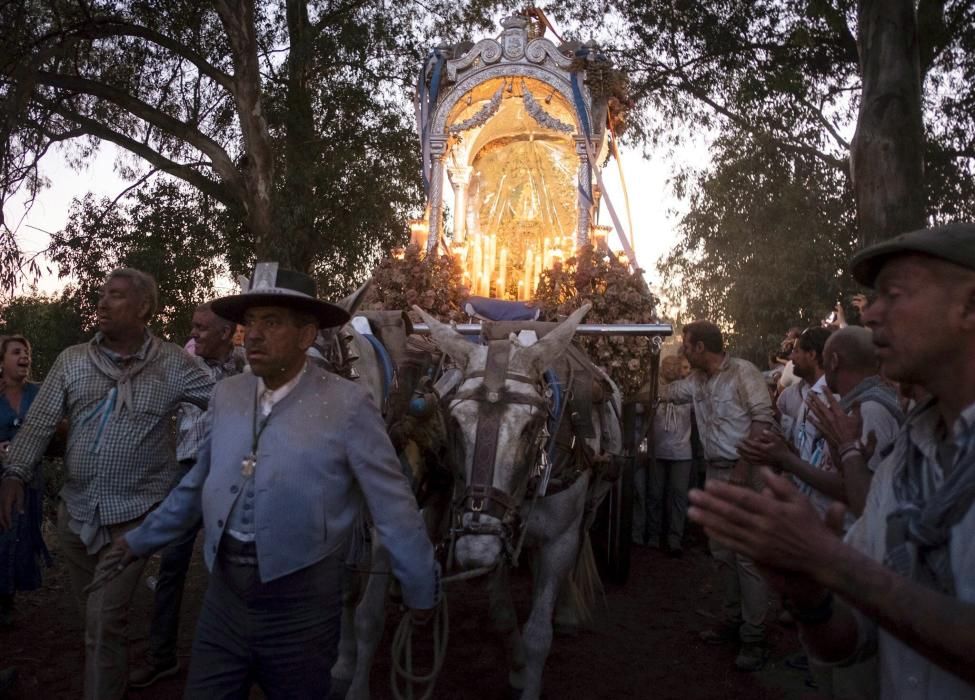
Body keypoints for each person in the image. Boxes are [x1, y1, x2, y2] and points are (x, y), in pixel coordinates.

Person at [98, 263, 439, 699]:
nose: (253, 335)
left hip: (302, 606)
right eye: (250, 322)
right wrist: (138, 541)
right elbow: (195, 486)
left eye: (271, 323)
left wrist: (419, 586)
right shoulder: (227, 395)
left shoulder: (348, 406)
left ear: (306, 335)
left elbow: (393, 507)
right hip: (223, 600)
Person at [688, 222, 975, 698]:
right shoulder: (910, 453)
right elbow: (852, 641)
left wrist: (832, 563)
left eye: (894, 294)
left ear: (969, 306)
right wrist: (810, 593)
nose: (873, 315)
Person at [0, 269, 215, 700]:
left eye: (115, 296)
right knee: (96, 624)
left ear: (143, 309)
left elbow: (227, 401)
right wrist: (14, 473)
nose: (101, 303)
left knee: (101, 622)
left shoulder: (174, 363)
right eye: (101, 295)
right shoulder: (73, 359)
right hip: (75, 515)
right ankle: (114, 673)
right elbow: (41, 422)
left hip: (135, 517)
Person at [129, 303, 246, 689]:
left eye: (202, 327)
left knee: (227, 565)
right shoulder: (181, 364)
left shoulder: (249, 367)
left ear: (228, 333)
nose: (193, 333)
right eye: (193, 326)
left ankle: (232, 658)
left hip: (233, 474)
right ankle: (161, 655)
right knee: (172, 564)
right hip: (187, 472)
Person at [656, 320, 775, 671]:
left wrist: (742, 469)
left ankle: (754, 637)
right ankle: (733, 620)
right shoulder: (696, 382)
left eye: (686, 346)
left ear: (701, 348)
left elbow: (763, 419)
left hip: (746, 472)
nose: (683, 352)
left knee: (747, 556)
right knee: (722, 551)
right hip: (717, 472)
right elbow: (664, 392)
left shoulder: (743, 373)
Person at [0, 336, 51, 626]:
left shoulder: (40, 393)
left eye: (27, 352)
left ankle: (8, 598)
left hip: (30, 478)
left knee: (19, 536)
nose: (24, 356)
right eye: (16, 352)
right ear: (1, 362)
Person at [646, 355, 694, 555]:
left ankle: (675, 538)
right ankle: (653, 535)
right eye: (668, 366)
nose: (672, 369)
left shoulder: (688, 390)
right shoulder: (653, 390)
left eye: (675, 366)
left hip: (682, 452)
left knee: (679, 497)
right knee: (655, 494)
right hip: (658, 450)